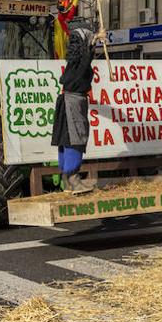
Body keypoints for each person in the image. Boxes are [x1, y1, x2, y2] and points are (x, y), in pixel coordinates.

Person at [50, 18, 105, 194]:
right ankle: (74, 180)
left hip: (71, 102)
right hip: (72, 103)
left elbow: (86, 60)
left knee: (68, 139)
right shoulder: (79, 62)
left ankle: (69, 181)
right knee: (75, 139)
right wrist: (96, 39)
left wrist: (95, 41)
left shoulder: (74, 61)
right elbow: (85, 61)